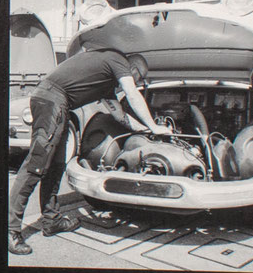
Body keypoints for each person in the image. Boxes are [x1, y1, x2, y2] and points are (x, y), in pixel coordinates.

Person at [8, 43, 163, 254]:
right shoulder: (117, 59)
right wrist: (154, 125)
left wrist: (146, 130)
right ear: (134, 70)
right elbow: (132, 94)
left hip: (56, 101)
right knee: (37, 164)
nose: (138, 82)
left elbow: (119, 115)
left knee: (57, 165)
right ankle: (10, 230)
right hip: (52, 99)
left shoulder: (108, 81)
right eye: (140, 78)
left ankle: (51, 220)